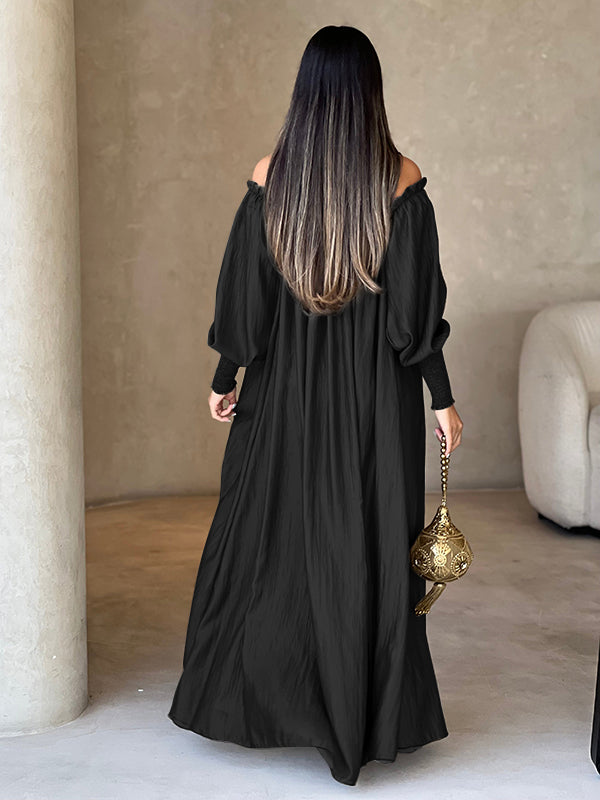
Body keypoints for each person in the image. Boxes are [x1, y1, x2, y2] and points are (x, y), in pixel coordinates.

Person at [168, 24, 464, 786]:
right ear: (370, 94)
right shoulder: (399, 180)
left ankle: (271, 700)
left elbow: (248, 300)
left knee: (270, 543)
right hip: (375, 406)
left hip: (284, 396)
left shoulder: (273, 177)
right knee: (362, 549)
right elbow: (413, 318)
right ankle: (356, 719)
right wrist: (441, 399)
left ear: (305, 93)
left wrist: (226, 377)